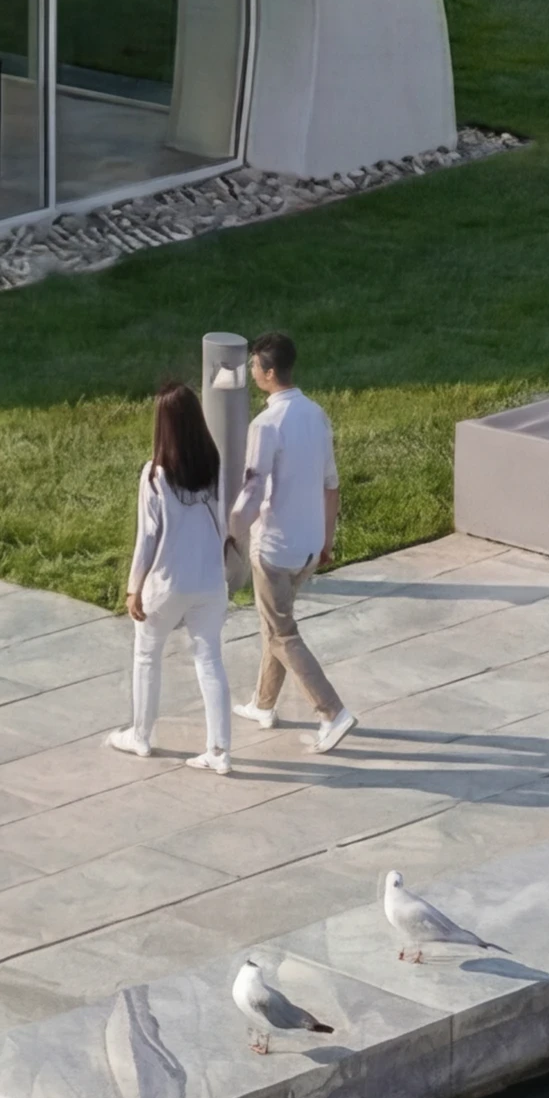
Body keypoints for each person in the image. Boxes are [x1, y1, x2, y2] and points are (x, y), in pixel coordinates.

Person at [236, 331, 353, 752]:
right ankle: (263, 704)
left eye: (254, 366)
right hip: (308, 546)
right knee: (275, 624)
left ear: (268, 373)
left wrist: (232, 530)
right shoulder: (317, 415)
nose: (251, 372)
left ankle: (332, 711)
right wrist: (326, 539)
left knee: (282, 632)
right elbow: (331, 485)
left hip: (272, 549)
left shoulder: (265, 425)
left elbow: (252, 489)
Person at [111, 384, 233, 773]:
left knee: (147, 655)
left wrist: (134, 588)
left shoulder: (155, 475)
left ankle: (141, 736)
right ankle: (219, 751)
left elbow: (147, 538)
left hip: (167, 583)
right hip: (211, 581)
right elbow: (223, 518)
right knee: (210, 659)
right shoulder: (213, 465)